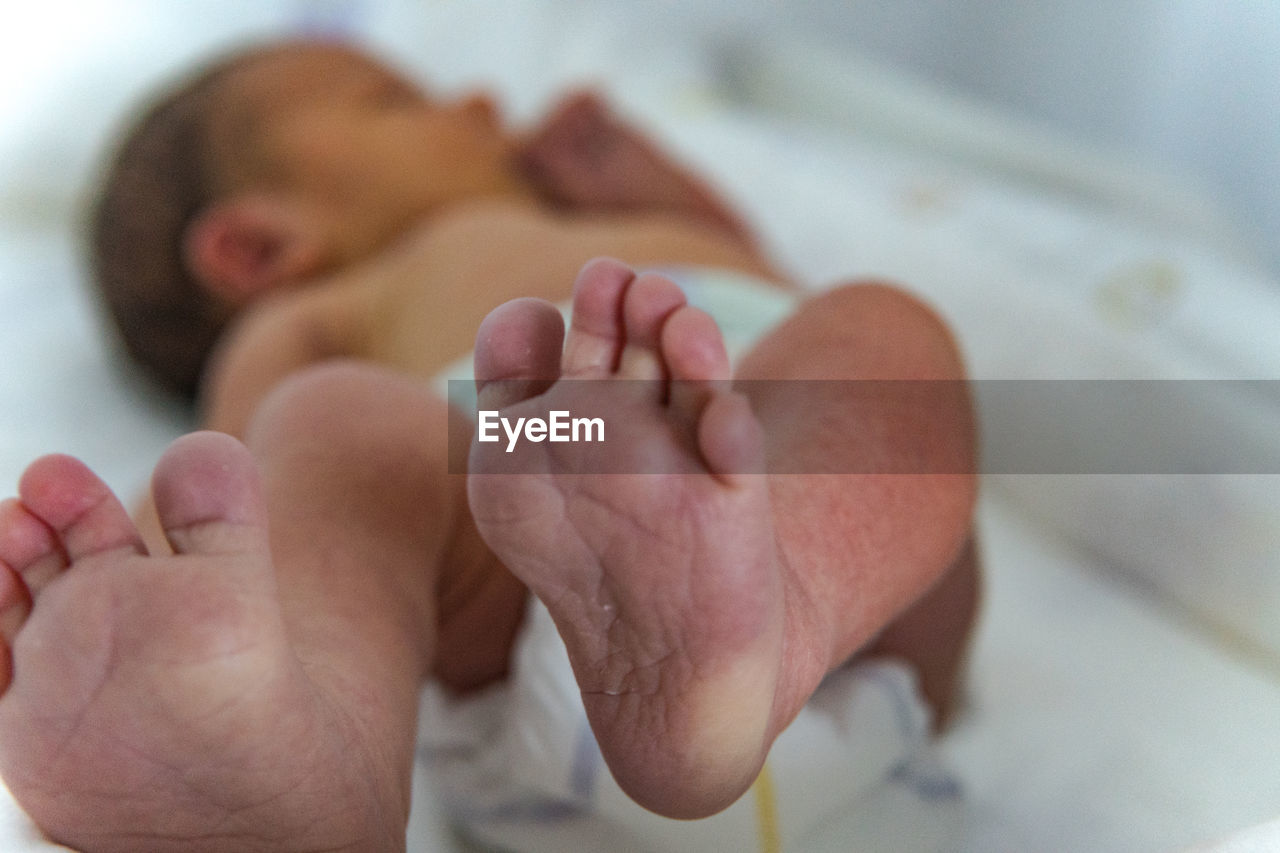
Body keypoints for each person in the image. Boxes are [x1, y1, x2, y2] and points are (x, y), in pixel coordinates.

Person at [0, 39, 979, 852]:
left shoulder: (618, 227)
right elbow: (246, 492)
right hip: (531, 549)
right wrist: (153, 623)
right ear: (259, 247)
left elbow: (774, 290)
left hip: (823, 573)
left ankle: (745, 647)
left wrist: (667, 195)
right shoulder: (324, 303)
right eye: (394, 102)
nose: (473, 102)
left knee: (874, 329)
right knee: (336, 422)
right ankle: (298, 762)